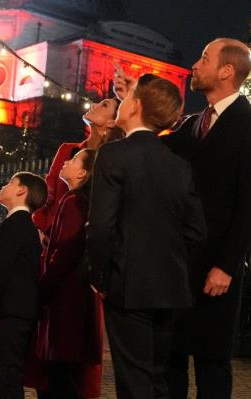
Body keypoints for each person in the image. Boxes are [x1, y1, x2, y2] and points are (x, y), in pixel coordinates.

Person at [116, 38, 251, 398]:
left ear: (226, 71)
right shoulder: (192, 125)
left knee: (212, 363)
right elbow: (150, 146)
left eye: (204, 58)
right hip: (179, 267)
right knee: (171, 357)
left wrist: (227, 265)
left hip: (216, 271)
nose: (194, 64)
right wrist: (134, 101)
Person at [87, 73, 207, 399]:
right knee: (157, 378)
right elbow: (196, 231)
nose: (121, 103)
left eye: (127, 98)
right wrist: (170, 261)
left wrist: (99, 275)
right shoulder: (179, 165)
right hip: (170, 287)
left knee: (134, 381)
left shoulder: (114, 155)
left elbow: (100, 228)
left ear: (136, 105)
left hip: (127, 284)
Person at [35, 148, 103, 399]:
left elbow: (64, 251)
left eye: (74, 160)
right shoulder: (81, 201)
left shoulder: (74, 201)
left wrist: (43, 286)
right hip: (72, 296)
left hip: (65, 299)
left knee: (59, 375)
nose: (65, 161)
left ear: (83, 172)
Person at [0, 172, 48, 399]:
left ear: (22, 191)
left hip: (15, 309)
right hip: (21, 309)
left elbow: (2, 268)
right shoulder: (24, 225)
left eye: (11, 182)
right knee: (11, 371)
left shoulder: (15, 224)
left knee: (9, 372)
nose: (4, 186)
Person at [32, 98, 122, 236]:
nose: (93, 104)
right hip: (52, 234)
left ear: (112, 122)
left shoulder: (111, 161)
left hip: (85, 238)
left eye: (104, 105)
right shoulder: (67, 150)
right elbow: (49, 192)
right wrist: (38, 228)